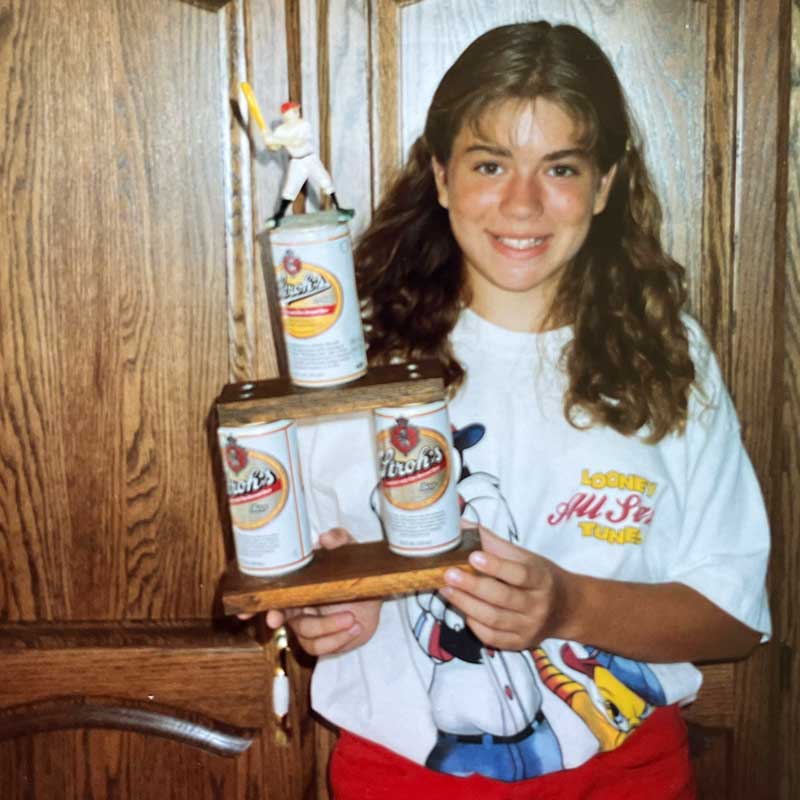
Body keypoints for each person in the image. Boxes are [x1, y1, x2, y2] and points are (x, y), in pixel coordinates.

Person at [263, 21, 771, 799]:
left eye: (559, 167)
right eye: (490, 163)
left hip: (625, 775)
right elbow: (313, 579)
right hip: (402, 776)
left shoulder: (671, 356)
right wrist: (324, 615)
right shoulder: (351, 358)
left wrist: (567, 605)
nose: (523, 203)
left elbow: (733, 619)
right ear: (440, 176)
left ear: (604, 185)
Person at [262, 101, 352, 227]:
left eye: (297, 110)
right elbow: (274, 147)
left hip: (310, 159)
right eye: (293, 111)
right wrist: (268, 140)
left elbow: (297, 142)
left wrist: (276, 139)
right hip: (296, 162)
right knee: (290, 188)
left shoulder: (304, 125)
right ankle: (278, 216)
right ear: (286, 114)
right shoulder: (280, 130)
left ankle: (339, 208)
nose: (297, 112)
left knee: (325, 180)